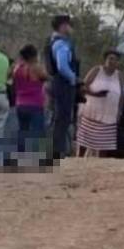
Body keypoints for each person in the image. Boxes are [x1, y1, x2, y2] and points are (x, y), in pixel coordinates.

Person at [77, 50, 124, 157]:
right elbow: (83, 87)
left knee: (104, 144)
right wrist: (95, 94)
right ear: (105, 60)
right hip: (91, 112)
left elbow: (122, 94)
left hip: (109, 116)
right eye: (110, 58)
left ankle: (100, 165)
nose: (112, 61)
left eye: (115, 59)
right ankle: (79, 161)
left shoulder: (119, 75)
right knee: (85, 140)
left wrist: (119, 111)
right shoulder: (96, 70)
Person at [45, 14, 79, 158]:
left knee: (58, 116)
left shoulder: (52, 41)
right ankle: (56, 150)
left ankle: (56, 148)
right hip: (63, 83)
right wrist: (73, 78)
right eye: (68, 25)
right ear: (63, 26)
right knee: (62, 116)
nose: (70, 28)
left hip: (56, 82)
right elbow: (62, 66)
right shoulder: (62, 44)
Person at [12, 44, 48, 141]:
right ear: (33, 56)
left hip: (20, 104)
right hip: (35, 105)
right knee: (37, 134)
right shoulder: (36, 68)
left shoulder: (17, 69)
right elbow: (46, 77)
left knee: (23, 132)